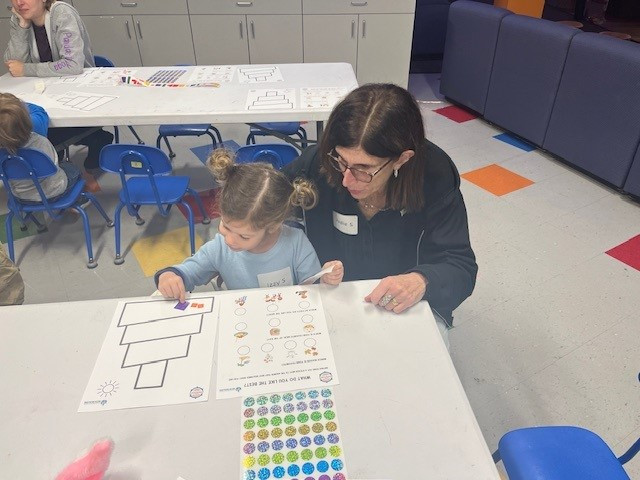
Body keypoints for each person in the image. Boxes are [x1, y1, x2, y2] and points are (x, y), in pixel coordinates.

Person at [283, 83, 477, 329]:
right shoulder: (318, 163)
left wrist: (422, 280)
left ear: (402, 159)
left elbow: (460, 266)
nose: (346, 180)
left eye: (364, 169)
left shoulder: (435, 176)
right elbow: (265, 198)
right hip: (333, 294)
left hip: (405, 303)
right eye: (341, 161)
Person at [155, 149, 344, 302]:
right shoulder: (220, 247)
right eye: (225, 226)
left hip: (286, 319)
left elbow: (313, 288)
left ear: (273, 226)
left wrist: (325, 277)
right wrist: (170, 276)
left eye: (244, 236)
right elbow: (189, 272)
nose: (229, 240)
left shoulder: (296, 243)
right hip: (242, 322)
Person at [4, 0, 114, 170]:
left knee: (32, 132)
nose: (19, 2)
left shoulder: (61, 13)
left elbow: (72, 65)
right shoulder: (20, 18)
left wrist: (26, 69)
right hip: (45, 93)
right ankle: (61, 152)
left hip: (79, 93)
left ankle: (94, 139)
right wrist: (22, 27)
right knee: (21, 123)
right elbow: (13, 64)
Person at [0, 92, 82, 202]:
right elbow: (54, 164)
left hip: (19, 196)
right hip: (54, 191)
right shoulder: (39, 139)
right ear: (28, 118)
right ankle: (77, 201)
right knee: (73, 168)